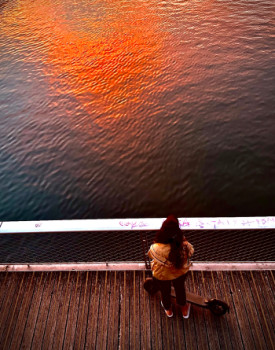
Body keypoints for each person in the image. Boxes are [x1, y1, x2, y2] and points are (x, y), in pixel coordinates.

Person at [148, 215, 194, 318]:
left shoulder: (155, 247)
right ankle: (184, 310)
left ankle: (168, 310)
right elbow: (191, 251)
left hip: (162, 274)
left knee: (165, 291)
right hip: (180, 273)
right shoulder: (184, 246)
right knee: (180, 289)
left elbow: (151, 254)